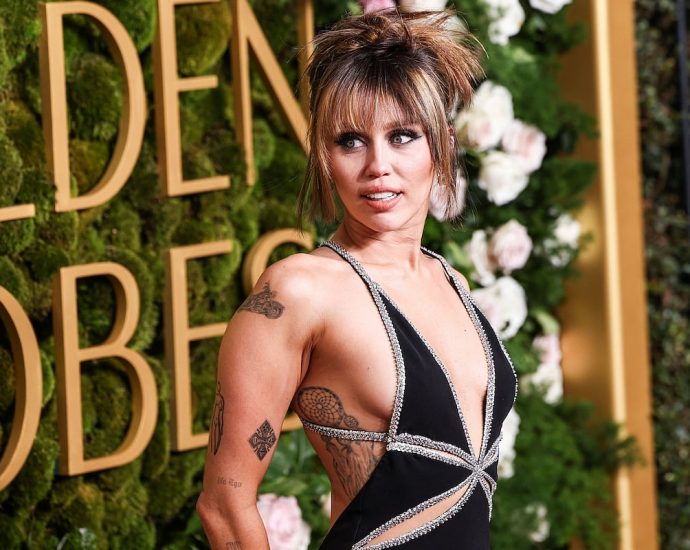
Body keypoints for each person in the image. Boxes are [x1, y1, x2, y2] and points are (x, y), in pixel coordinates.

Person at [197, 6, 517, 549]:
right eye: (350, 140)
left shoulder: (452, 283)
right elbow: (224, 505)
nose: (377, 166)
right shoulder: (299, 293)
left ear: (441, 142)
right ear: (324, 154)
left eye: (402, 136)